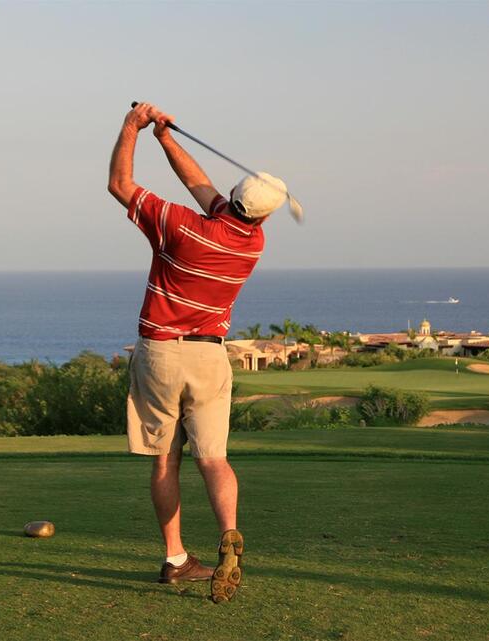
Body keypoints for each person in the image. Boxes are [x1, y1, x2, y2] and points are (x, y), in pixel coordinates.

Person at [107, 102, 287, 603]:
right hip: (211, 358)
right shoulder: (252, 242)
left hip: (162, 354)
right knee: (214, 458)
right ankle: (229, 533)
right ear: (264, 213)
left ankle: (176, 558)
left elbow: (120, 185)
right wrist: (166, 138)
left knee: (166, 461)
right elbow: (201, 188)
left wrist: (133, 128)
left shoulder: (179, 227)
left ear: (232, 196)